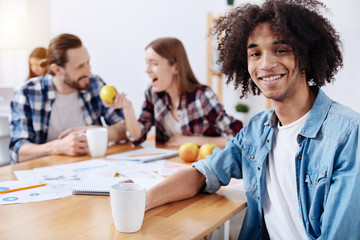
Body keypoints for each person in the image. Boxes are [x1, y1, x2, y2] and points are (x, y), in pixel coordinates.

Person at [144, 1, 360, 239]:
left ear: (305, 55)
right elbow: (203, 173)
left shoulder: (348, 134)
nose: (265, 64)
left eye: (280, 50)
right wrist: (141, 201)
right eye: (255, 54)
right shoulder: (257, 130)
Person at [104, 37, 242, 148]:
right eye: (146, 63)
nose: (147, 69)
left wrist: (194, 140)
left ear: (175, 67)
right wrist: (127, 108)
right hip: (169, 164)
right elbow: (137, 136)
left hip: (202, 165)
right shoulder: (154, 94)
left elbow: (237, 137)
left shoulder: (202, 97)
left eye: (154, 63)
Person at [9, 34, 127, 164]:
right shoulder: (26, 93)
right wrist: (57, 147)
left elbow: (123, 127)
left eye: (88, 63)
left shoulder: (94, 84)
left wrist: (92, 133)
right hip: (46, 172)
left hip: (91, 167)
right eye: (80, 66)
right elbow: (17, 151)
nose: (89, 72)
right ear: (57, 69)